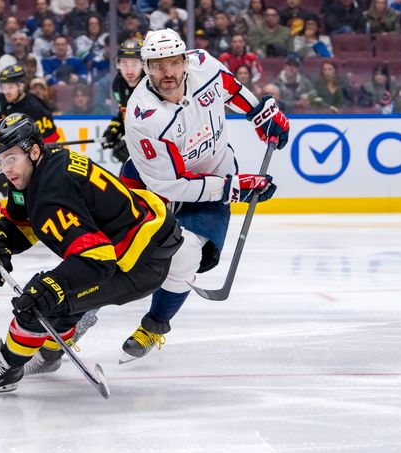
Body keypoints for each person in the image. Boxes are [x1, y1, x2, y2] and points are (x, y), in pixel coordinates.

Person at [0, 113, 183, 394]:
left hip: (138, 266)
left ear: (34, 150)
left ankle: (6, 368)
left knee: (39, 302)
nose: (5, 169)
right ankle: (50, 353)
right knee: (57, 296)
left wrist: (54, 287)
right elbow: (23, 224)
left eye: (11, 158)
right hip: (136, 246)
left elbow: (97, 260)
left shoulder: (52, 194)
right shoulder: (40, 168)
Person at [118, 29, 288, 361]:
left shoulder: (203, 65)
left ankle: (154, 325)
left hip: (213, 174)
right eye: (157, 65)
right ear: (146, 69)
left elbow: (230, 86)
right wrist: (235, 188)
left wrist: (259, 113)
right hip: (154, 183)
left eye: (173, 63)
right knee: (114, 248)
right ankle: (76, 314)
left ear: (184, 61)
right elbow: (171, 186)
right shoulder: (142, 117)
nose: (167, 73)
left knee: (185, 257)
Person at [0, 65, 59, 222]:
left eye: (10, 86)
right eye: (3, 86)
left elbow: (52, 144)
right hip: (12, 162)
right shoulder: (2, 101)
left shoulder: (37, 108)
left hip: (31, 167)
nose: (6, 91)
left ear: (21, 86)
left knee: (26, 201)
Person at [101, 39, 145, 165]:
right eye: (125, 64)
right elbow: (124, 111)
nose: (129, 71)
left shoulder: (150, 85)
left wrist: (133, 143)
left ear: (143, 64)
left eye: (134, 64)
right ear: (118, 64)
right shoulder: (118, 84)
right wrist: (115, 128)